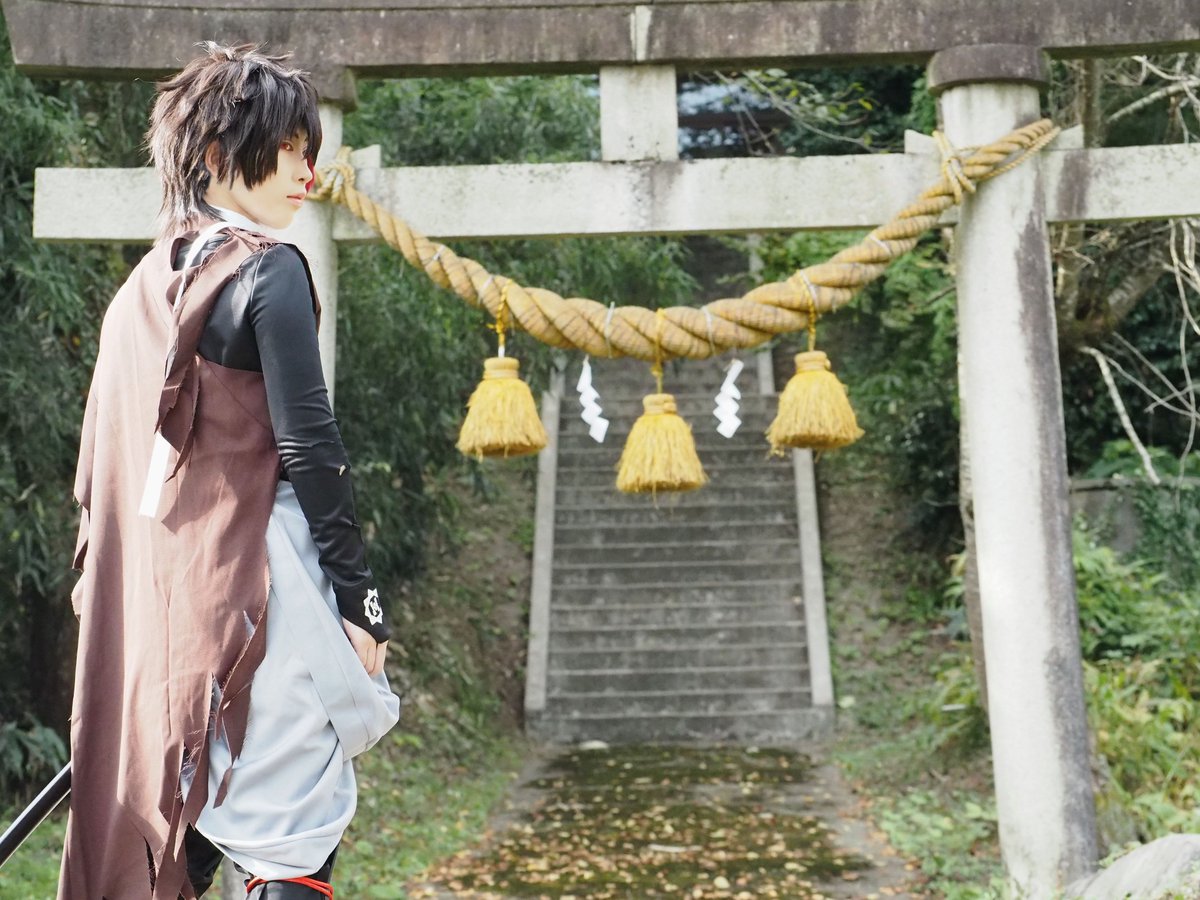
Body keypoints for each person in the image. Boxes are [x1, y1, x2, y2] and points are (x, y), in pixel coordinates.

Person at [60, 42, 399, 899]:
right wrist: (360, 598)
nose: (307, 171)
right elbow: (310, 446)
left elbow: (104, 484)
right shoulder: (268, 270)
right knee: (290, 843)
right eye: (287, 149)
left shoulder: (139, 290)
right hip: (261, 599)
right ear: (216, 153)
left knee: (186, 838)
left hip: (161, 620)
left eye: (309, 150)